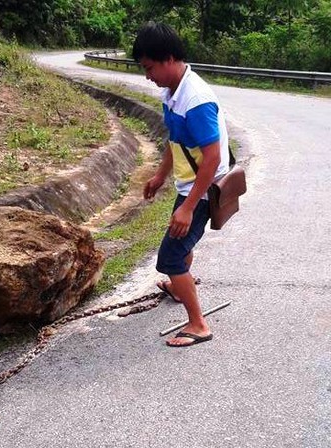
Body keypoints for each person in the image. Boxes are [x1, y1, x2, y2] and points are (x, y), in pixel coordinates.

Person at [132, 22, 230, 347]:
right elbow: (176, 140)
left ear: (169, 58)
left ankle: (198, 324)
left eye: (149, 67)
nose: (148, 76)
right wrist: (160, 176)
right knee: (180, 241)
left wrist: (188, 208)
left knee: (169, 258)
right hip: (189, 186)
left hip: (201, 192)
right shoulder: (171, 92)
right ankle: (178, 286)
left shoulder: (196, 100)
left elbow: (213, 159)